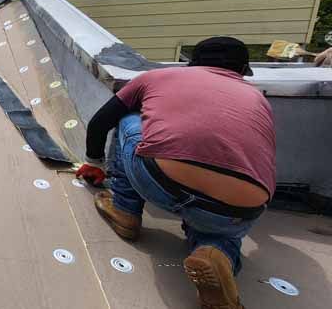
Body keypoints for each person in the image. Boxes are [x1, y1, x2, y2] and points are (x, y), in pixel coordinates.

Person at [76, 37, 274, 309]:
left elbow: (100, 123)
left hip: (161, 182)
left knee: (128, 118)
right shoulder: (257, 98)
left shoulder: (157, 77)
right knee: (220, 235)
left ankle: (125, 210)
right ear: (242, 70)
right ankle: (216, 254)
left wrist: (95, 163)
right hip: (242, 208)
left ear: (192, 64)